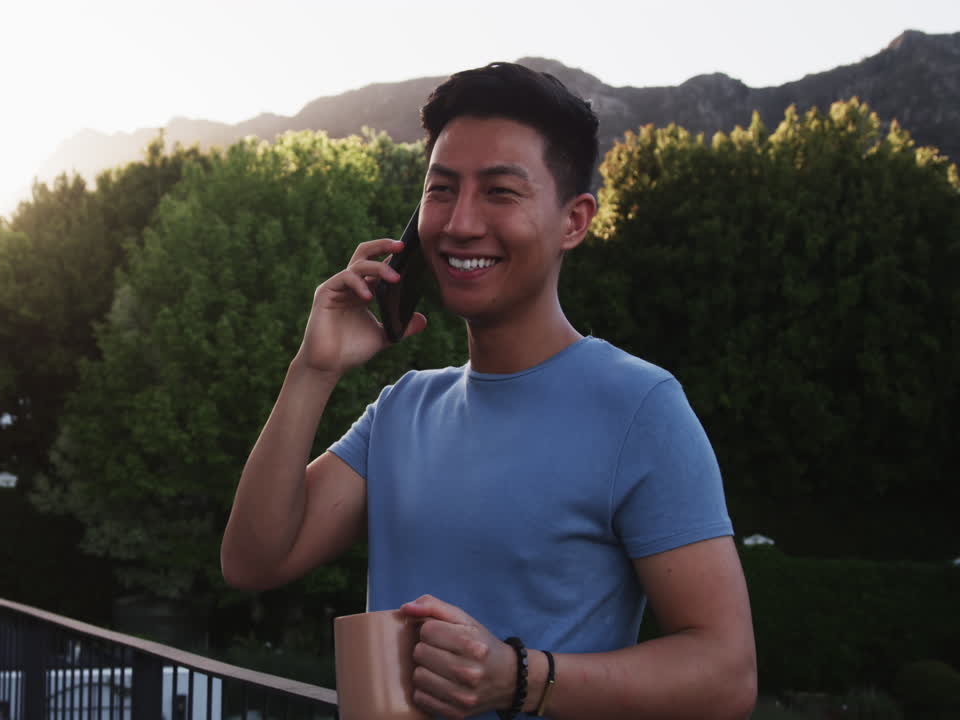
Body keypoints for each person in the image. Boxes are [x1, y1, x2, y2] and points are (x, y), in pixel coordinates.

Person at [221, 62, 756, 720]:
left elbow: (726, 674)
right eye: (441, 191)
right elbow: (252, 560)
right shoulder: (402, 409)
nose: (461, 222)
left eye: (500, 192)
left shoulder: (641, 407)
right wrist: (314, 367)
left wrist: (521, 677)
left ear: (574, 221)